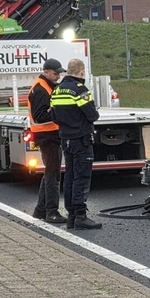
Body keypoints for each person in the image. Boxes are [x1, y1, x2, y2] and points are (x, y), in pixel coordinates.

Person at [50, 58, 102, 230]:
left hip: (65, 138)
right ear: (81, 71)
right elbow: (92, 115)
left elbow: (54, 116)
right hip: (81, 139)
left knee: (70, 176)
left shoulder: (56, 91)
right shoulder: (80, 90)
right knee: (82, 176)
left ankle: (71, 215)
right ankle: (80, 215)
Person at [28, 58, 68, 224]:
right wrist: (60, 113)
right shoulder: (40, 89)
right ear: (45, 71)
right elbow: (39, 117)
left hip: (50, 134)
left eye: (59, 72)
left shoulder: (47, 86)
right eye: (55, 72)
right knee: (53, 174)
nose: (58, 75)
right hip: (46, 135)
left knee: (50, 172)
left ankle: (40, 209)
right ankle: (52, 212)